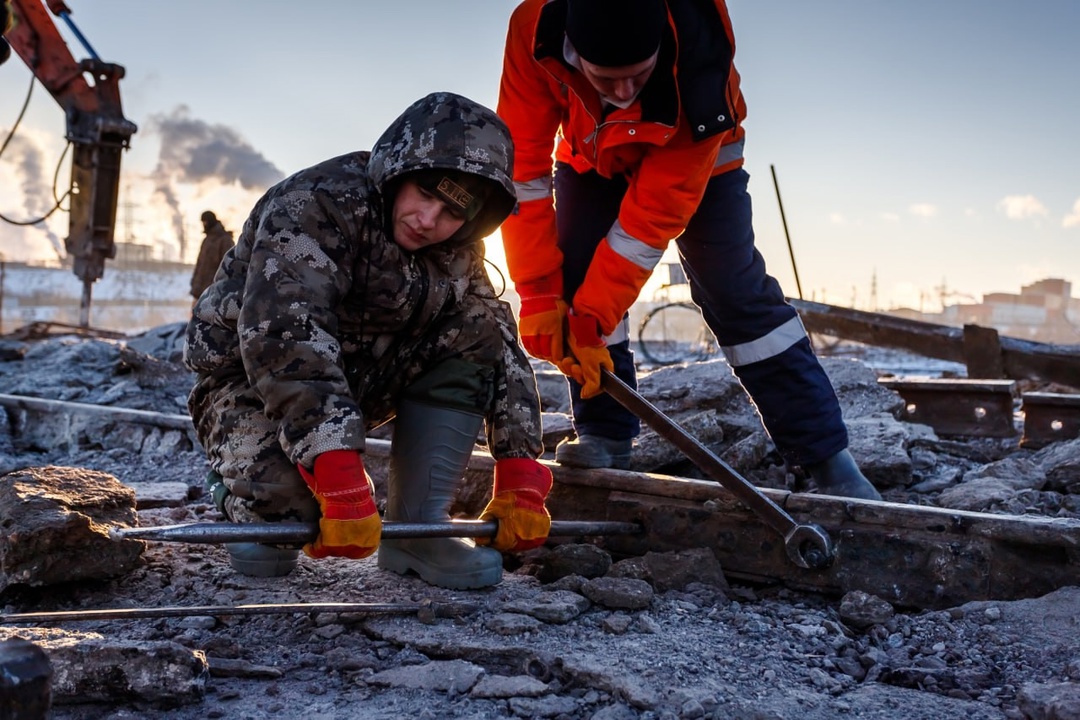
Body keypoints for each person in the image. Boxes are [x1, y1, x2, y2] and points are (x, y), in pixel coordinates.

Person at [496, 0, 881, 501]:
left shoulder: (701, 55)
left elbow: (646, 225)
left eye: (638, 76)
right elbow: (520, 170)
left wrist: (591, 317)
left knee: (735, 293)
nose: (623, 93)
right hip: (592, 158)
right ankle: (604, 433)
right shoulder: (534, 32)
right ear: (572, 50)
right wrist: (539, 294)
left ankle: (825, 456)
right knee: (576, 276)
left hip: (701, 156)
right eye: (605, 79)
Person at [184, 92, 553, 588]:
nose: (429, 220)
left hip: (362, 378)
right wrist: (336, 470)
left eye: (451, 212)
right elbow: (287, 334)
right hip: (248, 380)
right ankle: (238, 498)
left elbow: (500, 343)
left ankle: (419, 532)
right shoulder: (316, 203)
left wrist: (521, 471)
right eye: (425, 194)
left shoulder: (457, 251)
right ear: (398, 170)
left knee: (477, 325)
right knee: (289, 514)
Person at [189, 211, 234, 307]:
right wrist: (195, 287)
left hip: (215, 293)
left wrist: (222, 290)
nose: (204, 225)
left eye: (205, 222)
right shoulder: (206, 240)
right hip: (200, 292)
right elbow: (200, 265)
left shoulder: (225, 240)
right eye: (203, 222)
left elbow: (229, 266)